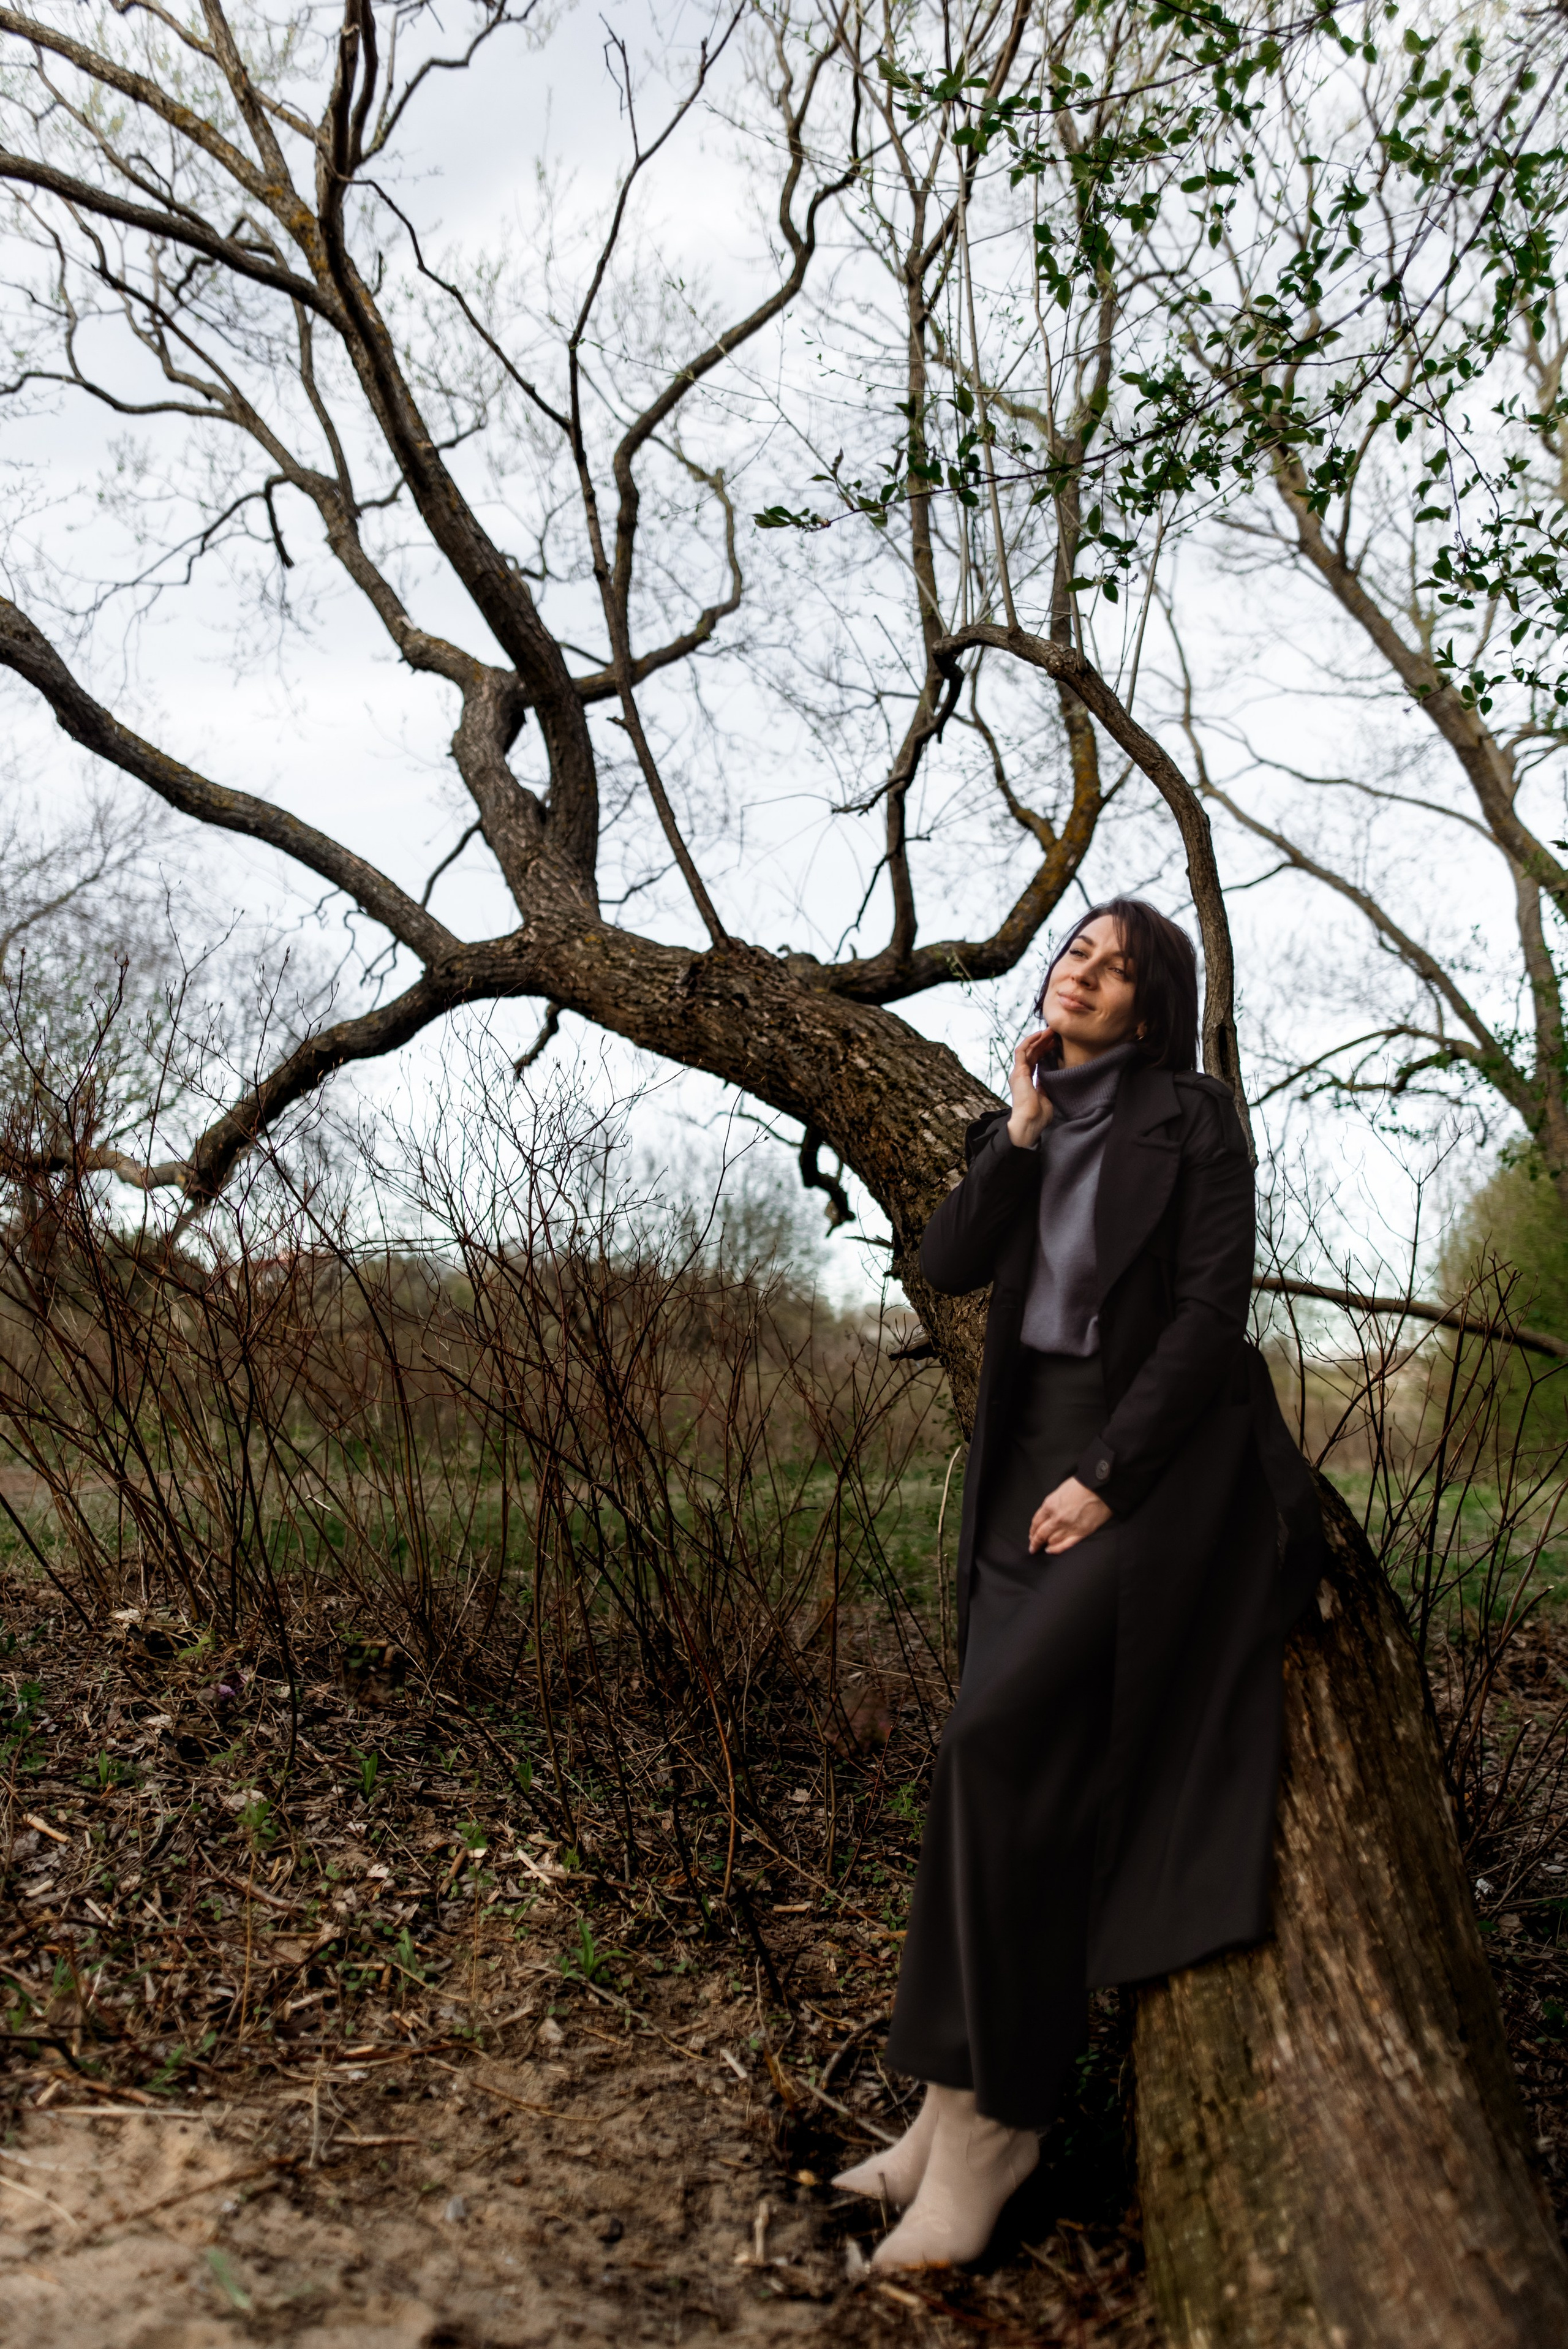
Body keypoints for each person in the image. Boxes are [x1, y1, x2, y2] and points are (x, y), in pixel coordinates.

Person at [833, 899, 1321, 2270]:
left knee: (999, 1753)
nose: (1085, 975)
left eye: (1114, 969)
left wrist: (1108, 1472)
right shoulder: (1025, 1122)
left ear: (1151, 1009)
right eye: (1076, 957)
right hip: (1015, 1478)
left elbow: (1207, 1315)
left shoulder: (1193, 1118)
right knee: (969, 1767)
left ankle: (1002, 2123)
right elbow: (944, 1262)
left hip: (1141, 1476)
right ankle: (940, 2103)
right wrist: (1020, 1135)